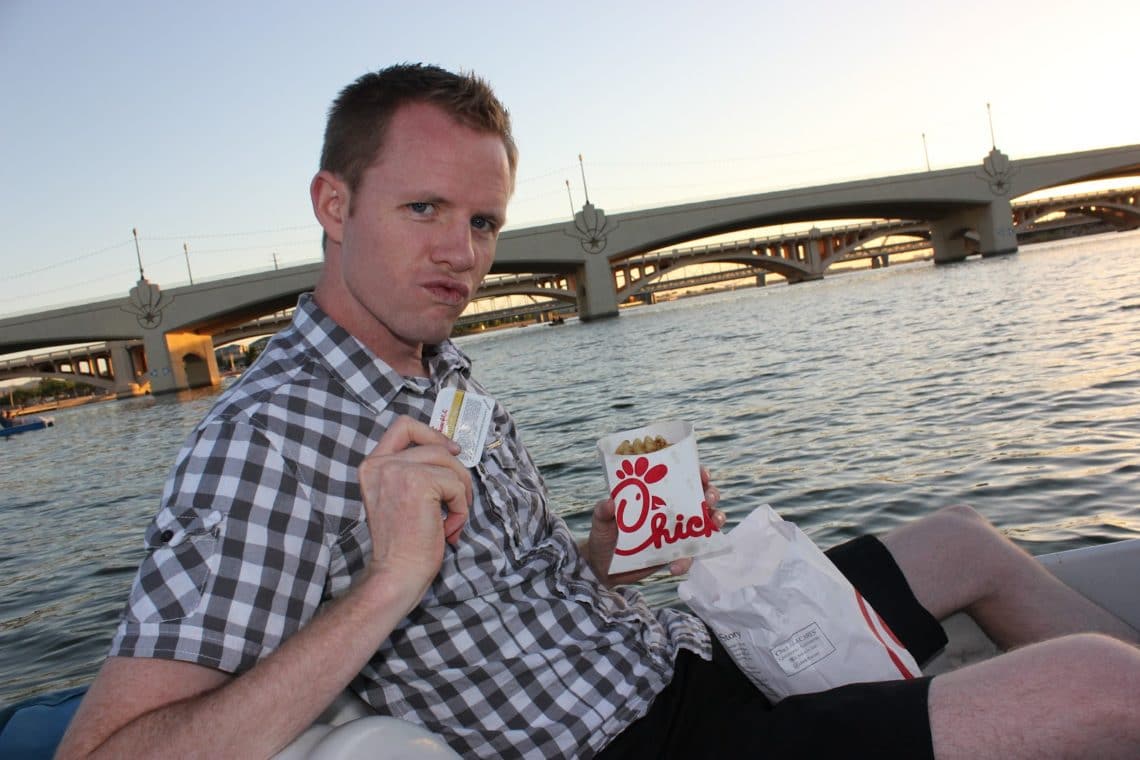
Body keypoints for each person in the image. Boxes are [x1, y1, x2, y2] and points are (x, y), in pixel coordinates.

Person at [58, 64, 1140, 760]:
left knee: (964, 538)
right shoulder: (267, 441)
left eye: (483, 221)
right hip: (623, 742)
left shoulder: (445, 366)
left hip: (675, 651)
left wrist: (607, 553)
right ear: (332, 204)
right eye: (424, 208)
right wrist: (388, 585)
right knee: (1100, 687)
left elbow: (530, 590)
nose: (461, 253)